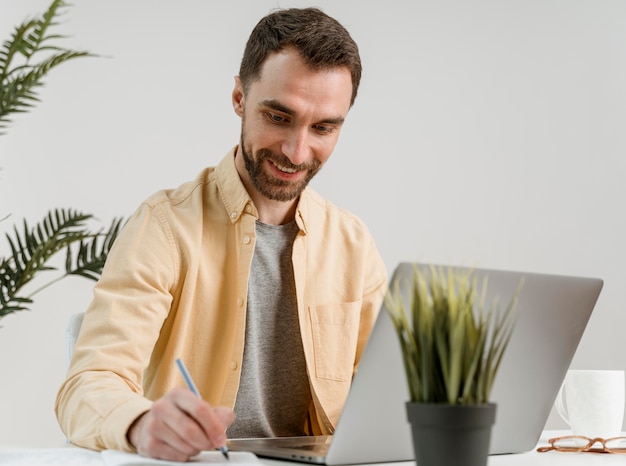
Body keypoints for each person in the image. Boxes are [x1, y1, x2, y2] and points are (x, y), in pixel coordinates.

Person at [55, 7, 387, 463]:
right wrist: (141, 422)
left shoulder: (352, 243)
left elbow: (394, 397)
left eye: (323, 128)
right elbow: (87, 385)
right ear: (238, 97)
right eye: (278, 116)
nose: (296, 151)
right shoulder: (165, 227)